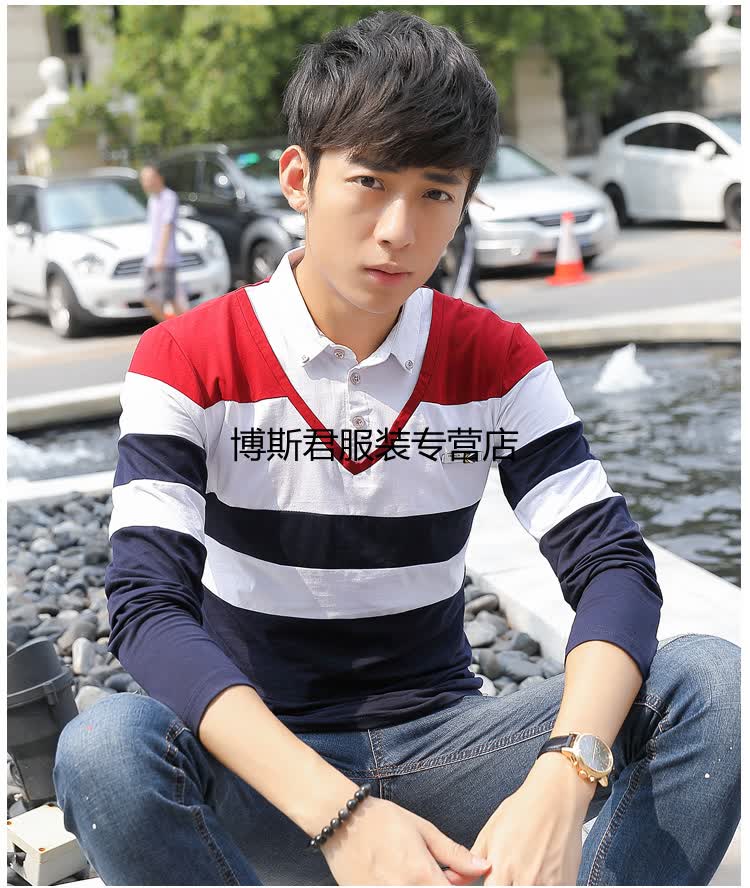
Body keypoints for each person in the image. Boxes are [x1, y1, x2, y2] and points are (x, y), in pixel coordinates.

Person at [54, 12, 739, 887]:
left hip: (446, 745)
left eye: (435, 193)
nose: (398, 229)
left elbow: (611, 566)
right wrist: (342, 815)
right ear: (299, 179)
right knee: (106, 748)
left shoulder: (494, 358)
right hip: (266, 772)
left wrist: (567, 771)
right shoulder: (188, 357)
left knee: (713, 683)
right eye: (370, 182)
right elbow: (148, 605)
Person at [139, 160, 187, 322]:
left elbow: (167, 226)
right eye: (143, 179)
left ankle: (184, 329)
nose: (146, 183)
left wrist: (161, 255)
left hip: (165, 258)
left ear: (159, 178)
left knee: (170, 298)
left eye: (149, 178)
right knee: (148, 296)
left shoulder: (169, 197)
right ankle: (170, 327)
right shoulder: (152, 200)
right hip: (151, 258)